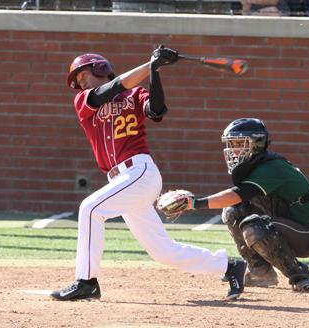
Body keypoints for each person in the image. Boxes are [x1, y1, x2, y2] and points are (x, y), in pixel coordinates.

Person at [50, 46, 246, 301]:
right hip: (121, 180)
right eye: (77, 80)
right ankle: (229, 266)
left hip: (139, 172)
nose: (80, 83)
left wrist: (155, 69)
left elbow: (157, 110)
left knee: (90, 208)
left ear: (100, 69)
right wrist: (150, 63)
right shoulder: (85, 101)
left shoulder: (134, 94)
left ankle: (86, 281)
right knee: (162, 250)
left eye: (82, 75)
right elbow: (110, 91)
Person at [179, 118, 309, 291]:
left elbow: (235, 195)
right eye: (231, 144)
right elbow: (236, 201)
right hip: (286, 223)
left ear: (256, 143)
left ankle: (299, 274)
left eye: (239, 143)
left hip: (308, 234)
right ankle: (260, 271)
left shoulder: (272, 167)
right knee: (233, 211)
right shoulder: (256, 166)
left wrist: (195, 203)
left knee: (254, 226)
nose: (233, 150)